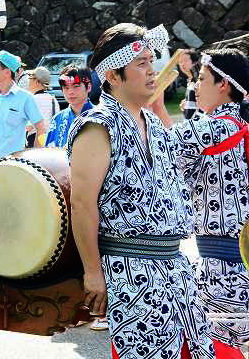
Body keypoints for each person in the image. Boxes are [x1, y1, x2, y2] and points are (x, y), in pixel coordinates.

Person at [67, 23, 215, 359]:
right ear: (113, 76)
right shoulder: (98, 126)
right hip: (131, 268)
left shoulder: (155, 125)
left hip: (175, 267)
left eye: (151, 61)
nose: (152, 71)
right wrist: (93, 271)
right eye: (141, 64)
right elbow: (83, 204)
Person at [168, 48, 249, 358]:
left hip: (222, 266)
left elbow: (157, 147)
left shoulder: (216, 127)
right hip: (235, 260)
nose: (195, 86)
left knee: (217, 347)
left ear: (223, 85)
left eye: (201, 79)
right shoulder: (237, 125)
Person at [0, 50, 43, 172]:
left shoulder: (26, 98)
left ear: (7, 72)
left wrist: (35, 161)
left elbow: (41, 128)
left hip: (13, 168)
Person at [44, 65, 93, 148]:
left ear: (88, 87)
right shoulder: (57, 119)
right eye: (66, 87)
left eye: (76, 86)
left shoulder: (100, 117)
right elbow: (49, 151)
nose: (70, 92)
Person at [25, 66, 60, 148]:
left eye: (30, 78)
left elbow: (28, 126)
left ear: (37, 82)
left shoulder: (31, 100)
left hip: (34, 141)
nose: (28, 81)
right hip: (50, 141)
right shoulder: (53, 99)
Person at [178, 49, 201, 120]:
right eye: (180, 62)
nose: (182, 64)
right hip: (190, 121)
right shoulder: (190, 81)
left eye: (185, 60)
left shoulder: (199, 79)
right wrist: (187, 102)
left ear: (194, 62)